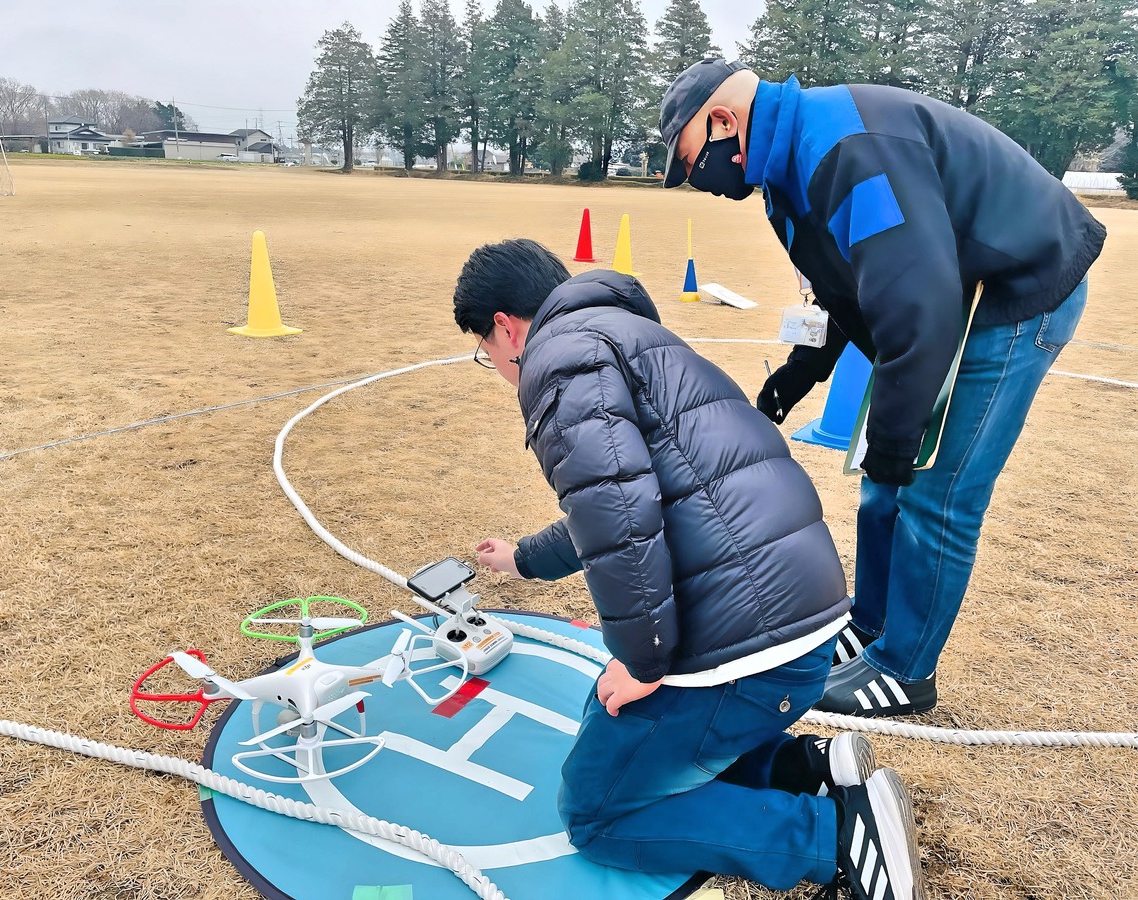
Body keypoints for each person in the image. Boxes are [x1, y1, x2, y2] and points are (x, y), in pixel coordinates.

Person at [453, 237, 926, 899]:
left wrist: (644, 661)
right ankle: (803, 768)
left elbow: (617, 516)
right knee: (627, 720)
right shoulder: (627, 335)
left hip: (752, 643)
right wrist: (524, 559)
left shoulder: (555, 360)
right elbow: (625, 503)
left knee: (596, 809)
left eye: (485, 349)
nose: (495, 364)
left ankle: (835, 836)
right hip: (802, 612)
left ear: (505, 327)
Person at [658, 58, 1106, 718]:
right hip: (946, 294)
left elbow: (916, 310)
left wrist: (896, 445)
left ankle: (904, 670)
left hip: (1015, 288)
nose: (696, 180)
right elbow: (849, 290)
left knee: (935, 491)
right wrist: (801, 371)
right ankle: (870, 629)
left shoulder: (845, 150)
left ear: (724, 122)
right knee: (881, 484)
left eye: (692, 161)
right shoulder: (783, 181)